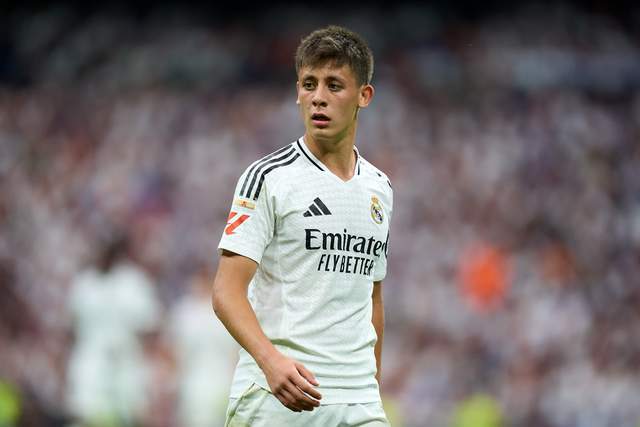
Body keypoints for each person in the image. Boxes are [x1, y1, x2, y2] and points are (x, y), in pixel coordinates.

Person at [211, 25, 393, 426]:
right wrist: (270, 362)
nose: (318, 97)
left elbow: (372, 298)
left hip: (359, 401)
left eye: (334, 85)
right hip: (277, 397)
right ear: (298, 92)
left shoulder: (379, 188)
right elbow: (226, 291)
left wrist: (371, 387)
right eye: (309, 84)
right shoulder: (268, 178)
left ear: (364, 96)